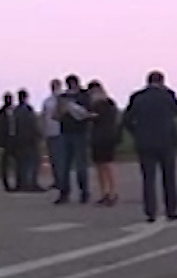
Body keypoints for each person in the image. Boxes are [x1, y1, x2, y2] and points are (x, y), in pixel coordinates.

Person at [121, 70, 177, 222]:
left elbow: (127, 119)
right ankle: (171, 210)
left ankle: (150, 212)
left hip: (144, 142)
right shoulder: (167, 95)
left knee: (148, 179)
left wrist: (136, 133)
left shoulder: (137, 97)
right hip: (166, 141)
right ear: (162, 81)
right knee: (169, 178)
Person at [54, 73, 94, 205]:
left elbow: (89, 113)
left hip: (79, 132)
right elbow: (56, 115)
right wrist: (62, 110)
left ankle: (83, 192)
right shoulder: (63, 97)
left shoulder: (84, 96)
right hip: (66, 132)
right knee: (64, 165)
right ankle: (65, 192)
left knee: (79, 164)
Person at [88, 81, 122, 206]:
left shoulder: (107, 103)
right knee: (99, 165)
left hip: (106, 136)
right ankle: (105, 192)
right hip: (97, 136)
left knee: (108, 164)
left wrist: (93, 116)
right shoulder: (94, 104)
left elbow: (106, 117)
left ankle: (112, 192)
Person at [13, 87, 43, 192]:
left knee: (21, 163)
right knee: (32, 162)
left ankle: (21, 183)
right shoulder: (28, 110)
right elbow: (33, 124)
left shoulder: (15, 111)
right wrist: (39, 134)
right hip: (30, 140)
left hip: (19, 141)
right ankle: (31, 183)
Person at [41, 79, 65, 195]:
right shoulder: (47, 101)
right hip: (50, 131)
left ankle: (61, 180)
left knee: (60, 158)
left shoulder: (62, 100)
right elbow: (44, 116)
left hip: (60, 131)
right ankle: (57, 180)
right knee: (53, 158)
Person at [0, 92, 19, 192]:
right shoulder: (1, 113)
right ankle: (7, 185)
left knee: (16, 162)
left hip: (14, 139)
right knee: (6, 164)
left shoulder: (14, 111)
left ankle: (18, 183)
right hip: (6, 141)